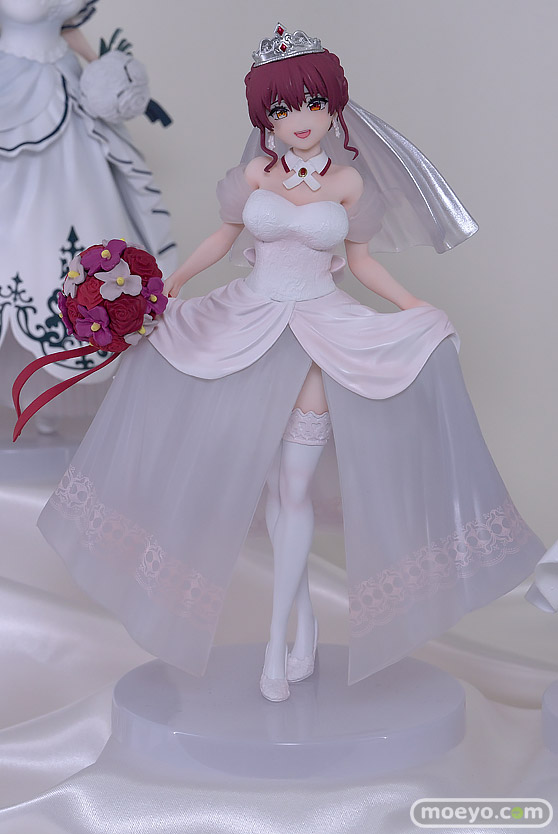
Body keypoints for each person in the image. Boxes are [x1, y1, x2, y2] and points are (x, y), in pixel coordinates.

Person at [37, 24, 545, 702]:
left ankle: (278, 643)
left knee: (296, 488)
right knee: (277, 490)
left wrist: (417, 308)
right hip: (247, 321)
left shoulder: (349, 183)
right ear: (265, 118)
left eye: (311, 103)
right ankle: (304, 622)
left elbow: (362, 265)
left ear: (333, 106)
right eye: (281, 108)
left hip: (317, 329)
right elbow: (220, 240)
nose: (299, 119)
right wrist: (167, 286)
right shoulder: (254, 175)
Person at [0, 0, 176, 430]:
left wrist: (107, 74)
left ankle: (53, 397)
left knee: (87, 208)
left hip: (68, 89)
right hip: (12, 91)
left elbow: (66, 29)